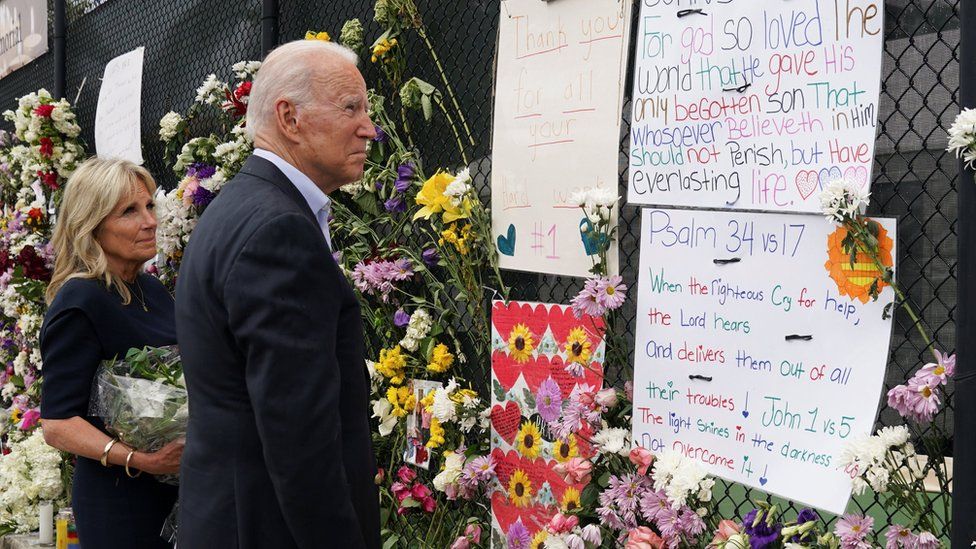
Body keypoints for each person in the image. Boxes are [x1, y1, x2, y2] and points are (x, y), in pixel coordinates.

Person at [175, 40, 379, 548]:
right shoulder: (278, 230)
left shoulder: (239, 208)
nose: (369, 128)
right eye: (350, 108)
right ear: (288, 118)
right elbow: (300, 441)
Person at [40, 157, 184, 548]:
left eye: (150, 205)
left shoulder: (150, 289)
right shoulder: (80, 301)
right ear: (93, 225)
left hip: (175, 488)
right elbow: (57, 424)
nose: (150, 221)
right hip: (123, 501)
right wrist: (143, 461)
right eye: (129, 211)